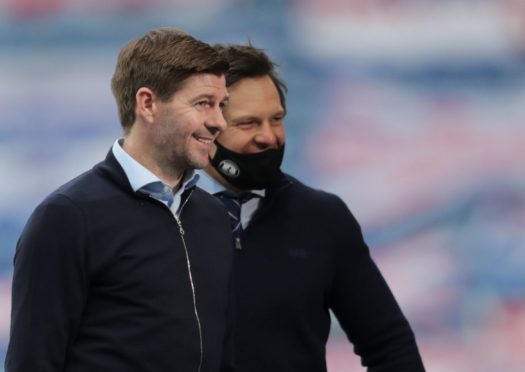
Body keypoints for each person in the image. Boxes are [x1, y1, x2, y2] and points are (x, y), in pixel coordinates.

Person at [5, 27, 235, 372]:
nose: (218, 121)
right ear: (148, 104)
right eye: (203, 103)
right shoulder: (67, 217)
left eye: (221, 105)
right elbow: (32, 362)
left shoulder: (214, 216)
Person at [198, 44, 426, 371]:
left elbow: (389, 345)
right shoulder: (141, 215)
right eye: (248, 124)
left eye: (275, 119)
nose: (269, 137)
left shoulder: (322, 219)